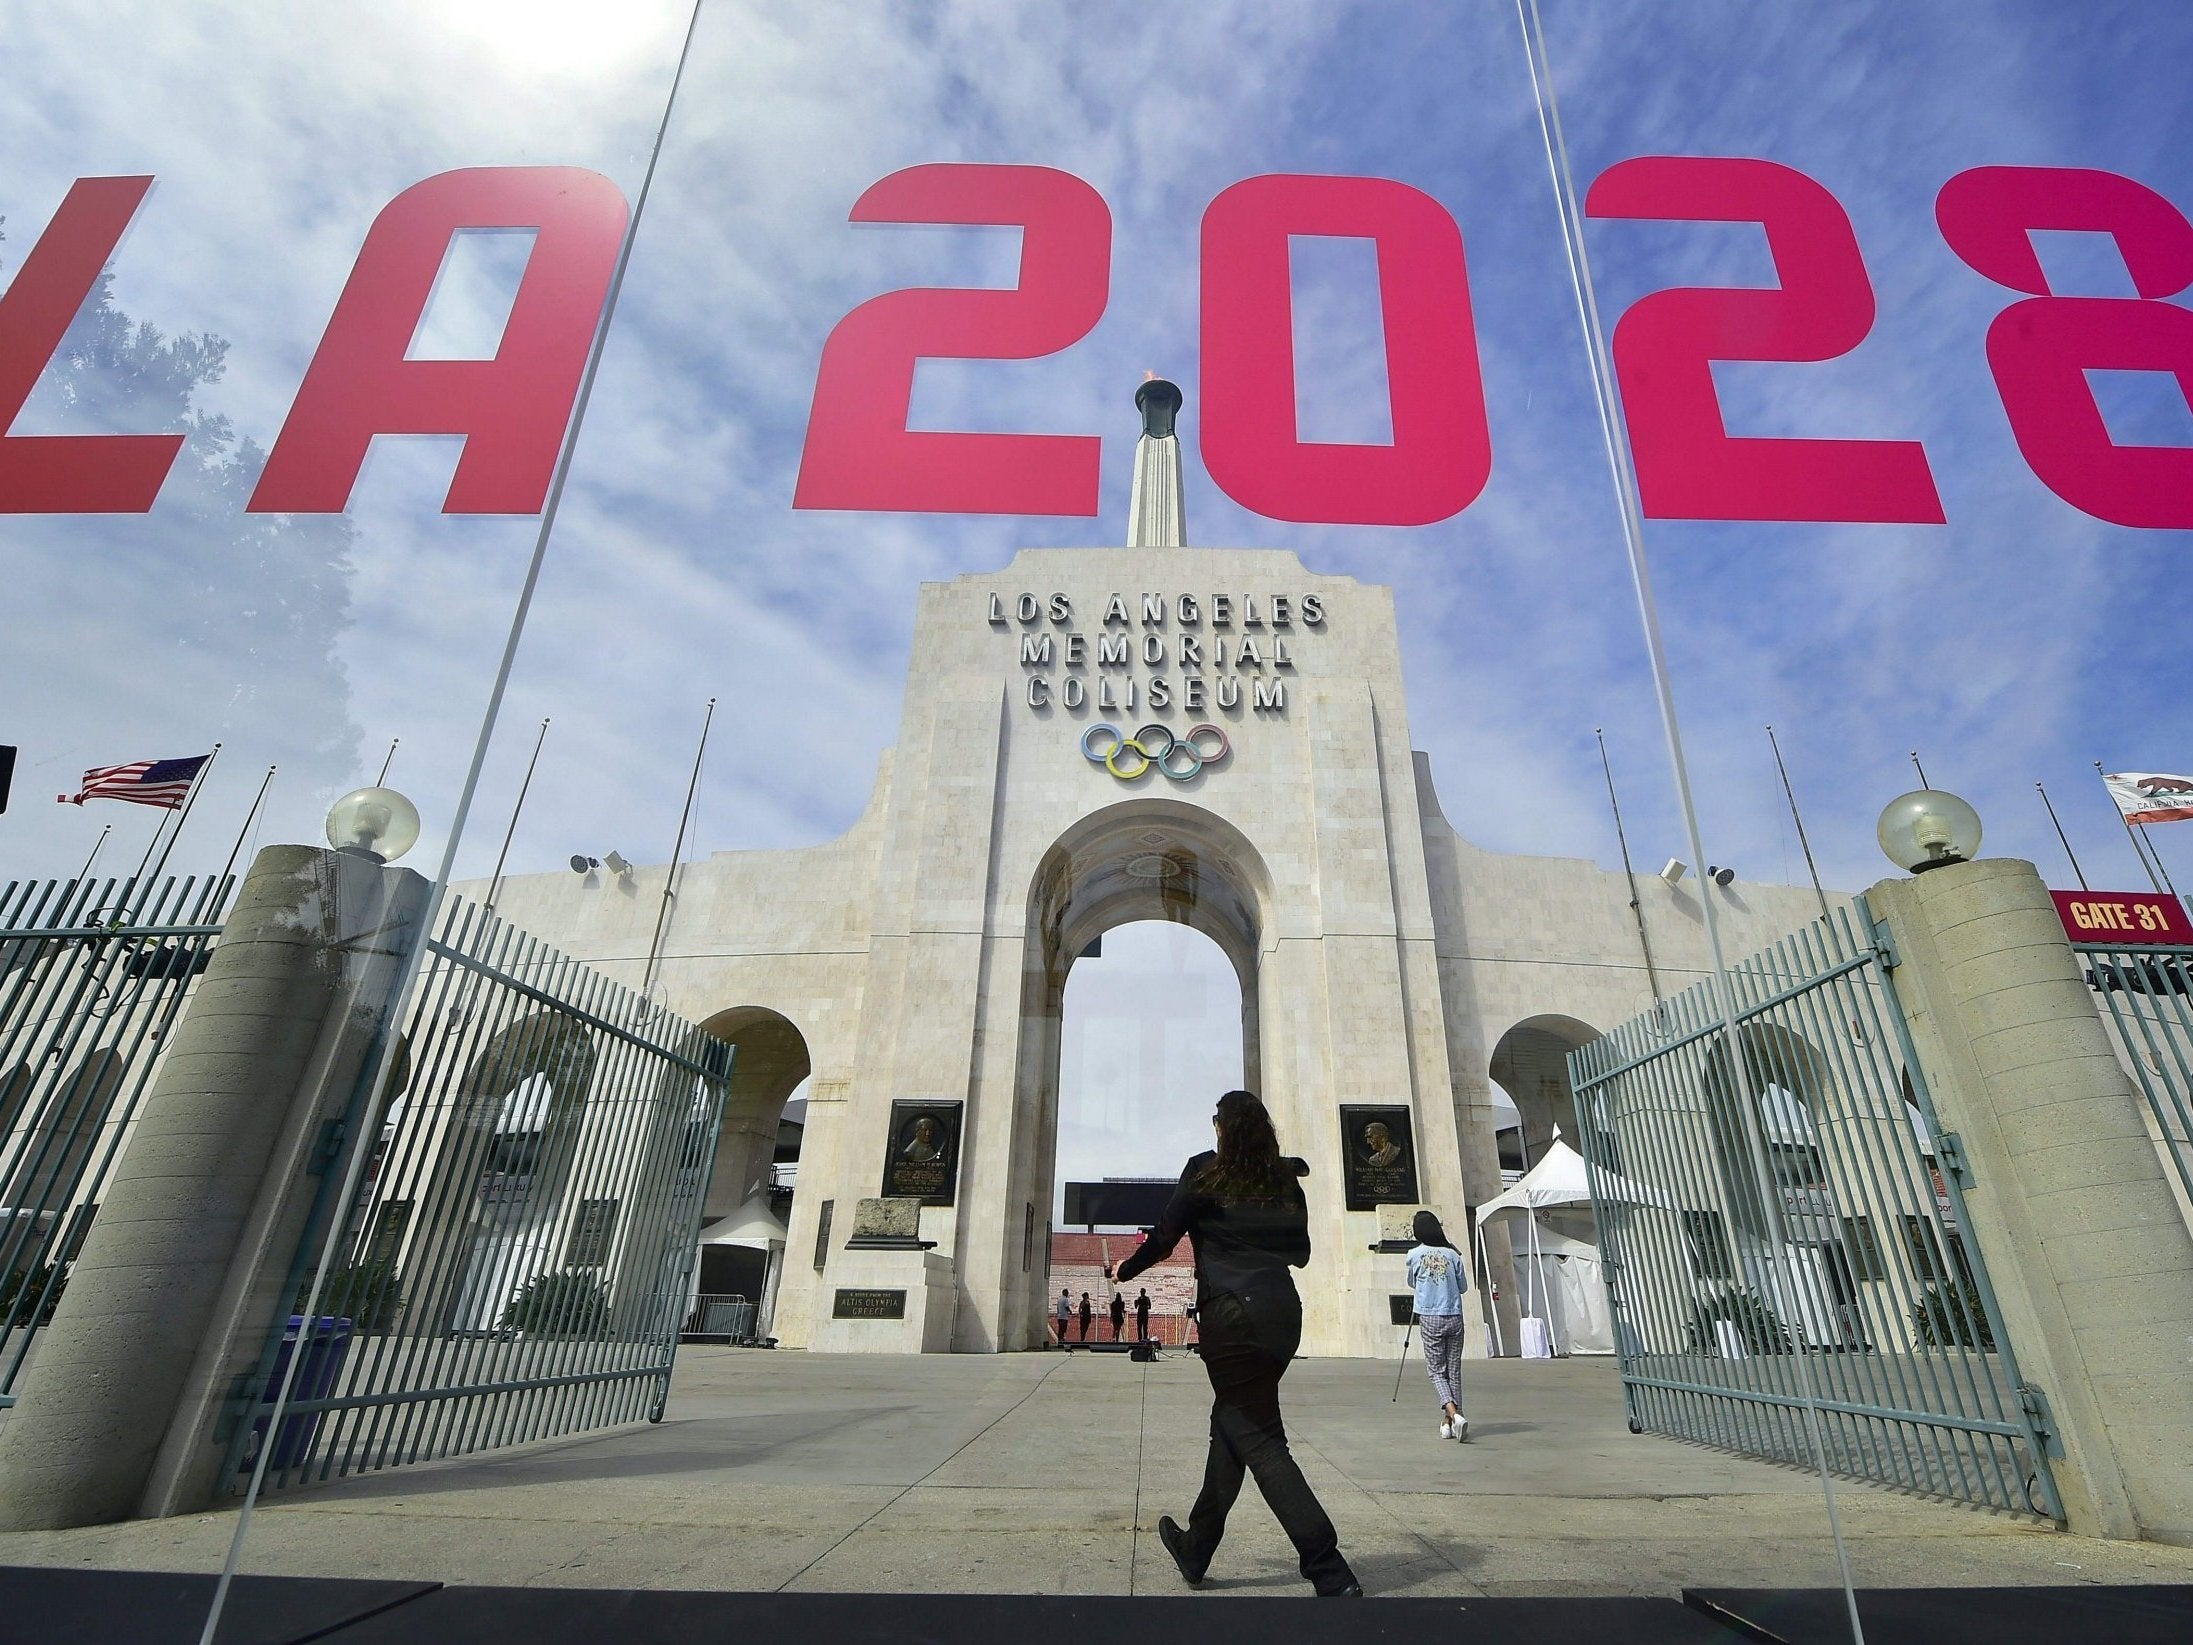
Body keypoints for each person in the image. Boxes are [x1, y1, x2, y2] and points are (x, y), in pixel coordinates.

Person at [1116, 1089, 1362, 1598]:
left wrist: (1125, 1269)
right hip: (1281, 1315)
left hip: (1232, 1316)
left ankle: (1327, 1566)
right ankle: (1197, 1546)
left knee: (1260, 1437)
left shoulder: (1205, 1171)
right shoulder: (1283, 1180)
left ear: (1222, 1127)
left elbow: (1165, 1236)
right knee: (1233, 1423)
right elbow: (1301, 1253)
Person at [1406, 1209, 1470, 1441]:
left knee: (1436, 1371)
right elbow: (1463, 1287)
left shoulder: (1414, 1254)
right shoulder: (1453, 1255)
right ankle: (1450, 1422)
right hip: (1454, 1315)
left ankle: (1453, 1413)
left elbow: (1412, 1281)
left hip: (1431, 1316)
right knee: (1453, 1371)